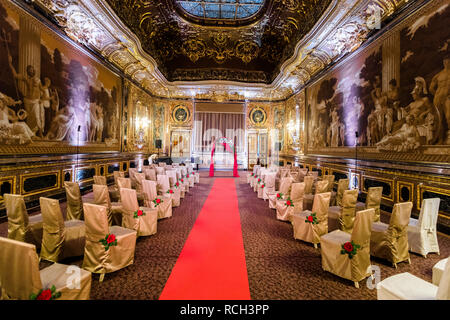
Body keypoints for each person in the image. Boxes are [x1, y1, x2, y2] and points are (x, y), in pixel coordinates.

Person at [8, 54, 44, 138]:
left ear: (34, 71)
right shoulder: (26, 78)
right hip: (28, 100)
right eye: (29, 70)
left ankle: (40, 133)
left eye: (31, 70)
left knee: (36, 117)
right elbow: (15, 75)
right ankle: (31, 134)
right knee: (29, 118)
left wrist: (41, 98)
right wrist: (10, 64)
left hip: (35, 101)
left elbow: (42, 89)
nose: (30, 71)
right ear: (27, 71)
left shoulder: (38, 80)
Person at [429, 54, 450, 144]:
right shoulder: (438, 75)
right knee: (439, 119)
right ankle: (441, 139)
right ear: (443, 62)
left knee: (449, 116)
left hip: (447, 98)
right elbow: (431, 88)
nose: (446, 63)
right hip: (438, 99)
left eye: (448, 61)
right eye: (445, 61)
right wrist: (437, 95)